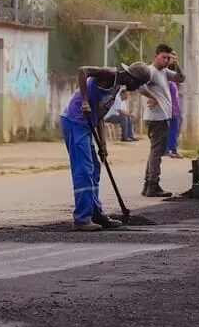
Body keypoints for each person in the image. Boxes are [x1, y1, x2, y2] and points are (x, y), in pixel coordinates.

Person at [61, 62, 151, 231]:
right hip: (74, 121)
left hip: (89, 123)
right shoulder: (109, 74)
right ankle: (82, 219)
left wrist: (103, 144)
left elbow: (100, 115)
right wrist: (85, 101)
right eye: (138, 84)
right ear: (132, 78)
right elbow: (83, 70)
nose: (137, 88)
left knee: (94, 168)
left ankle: (95, 212)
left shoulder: (116, 87)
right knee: (84, 169)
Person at [137, 43, 185, 198]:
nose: (165, 61)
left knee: (155, 151)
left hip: (163, 117)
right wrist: (153, 97)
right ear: (156, 56)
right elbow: (140, 87)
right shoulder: (150, 71)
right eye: (163, 57)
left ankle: (148, 184)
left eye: (168, 58)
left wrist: (176, 64)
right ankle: (153, 185)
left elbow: (180, 78)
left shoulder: (164, 72)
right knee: (157, 152)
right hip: (156, 118)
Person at [166, 80, 183, 159]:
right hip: (172, 111)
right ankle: (172, 150)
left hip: (175, 110)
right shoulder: (170, 84)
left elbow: (176, 100)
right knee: (173, 131)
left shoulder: (173, 85)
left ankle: (170, 149)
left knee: (174, 131)